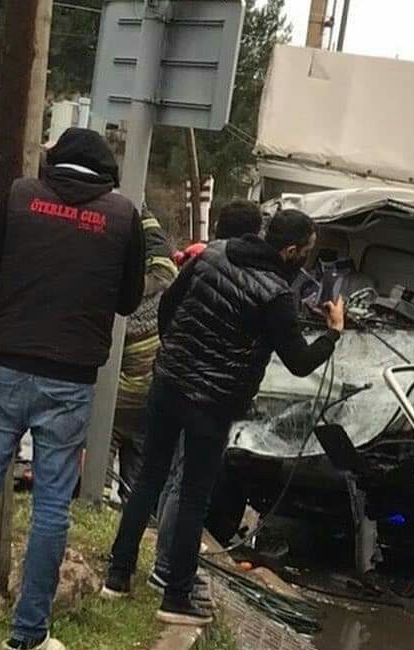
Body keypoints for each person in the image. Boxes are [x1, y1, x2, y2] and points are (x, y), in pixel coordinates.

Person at [0, 127, 145, 650]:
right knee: (52, 506)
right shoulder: (123, 217)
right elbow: (128, 299)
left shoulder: (20, 197)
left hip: (5, 363)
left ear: (56, 161)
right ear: (107, 172)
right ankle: (28, 633)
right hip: (71, 375)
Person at [103, 209, 345, 626]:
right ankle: (176, 597)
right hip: (212, 405)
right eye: (306, 252)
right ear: (290, 252)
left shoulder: (213, 255)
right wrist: (333, 333)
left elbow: (168, 309)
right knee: (193, 497)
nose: (307, 260)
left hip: (168, 384)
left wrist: (176, 355)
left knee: (148, 480)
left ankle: (117, 575)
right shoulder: (276, 295)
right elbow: (300, 362)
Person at [147, 200, 264, 607]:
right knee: (185, 483)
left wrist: (173, 355)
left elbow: (168, 310)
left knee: (171, 478)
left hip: (177, 382)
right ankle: (168, 569)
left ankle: (166, 563)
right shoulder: (227, 269)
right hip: (203, 394)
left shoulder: (201, 260)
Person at [112, 209, 178, 496]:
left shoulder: (114, 295)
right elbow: (159, 249)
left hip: (113, 400)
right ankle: (134, 507)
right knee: (138, 475)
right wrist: (143, 212)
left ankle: (95, 497)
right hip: (150, 395)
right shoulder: (166, 283)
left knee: (96, 466)